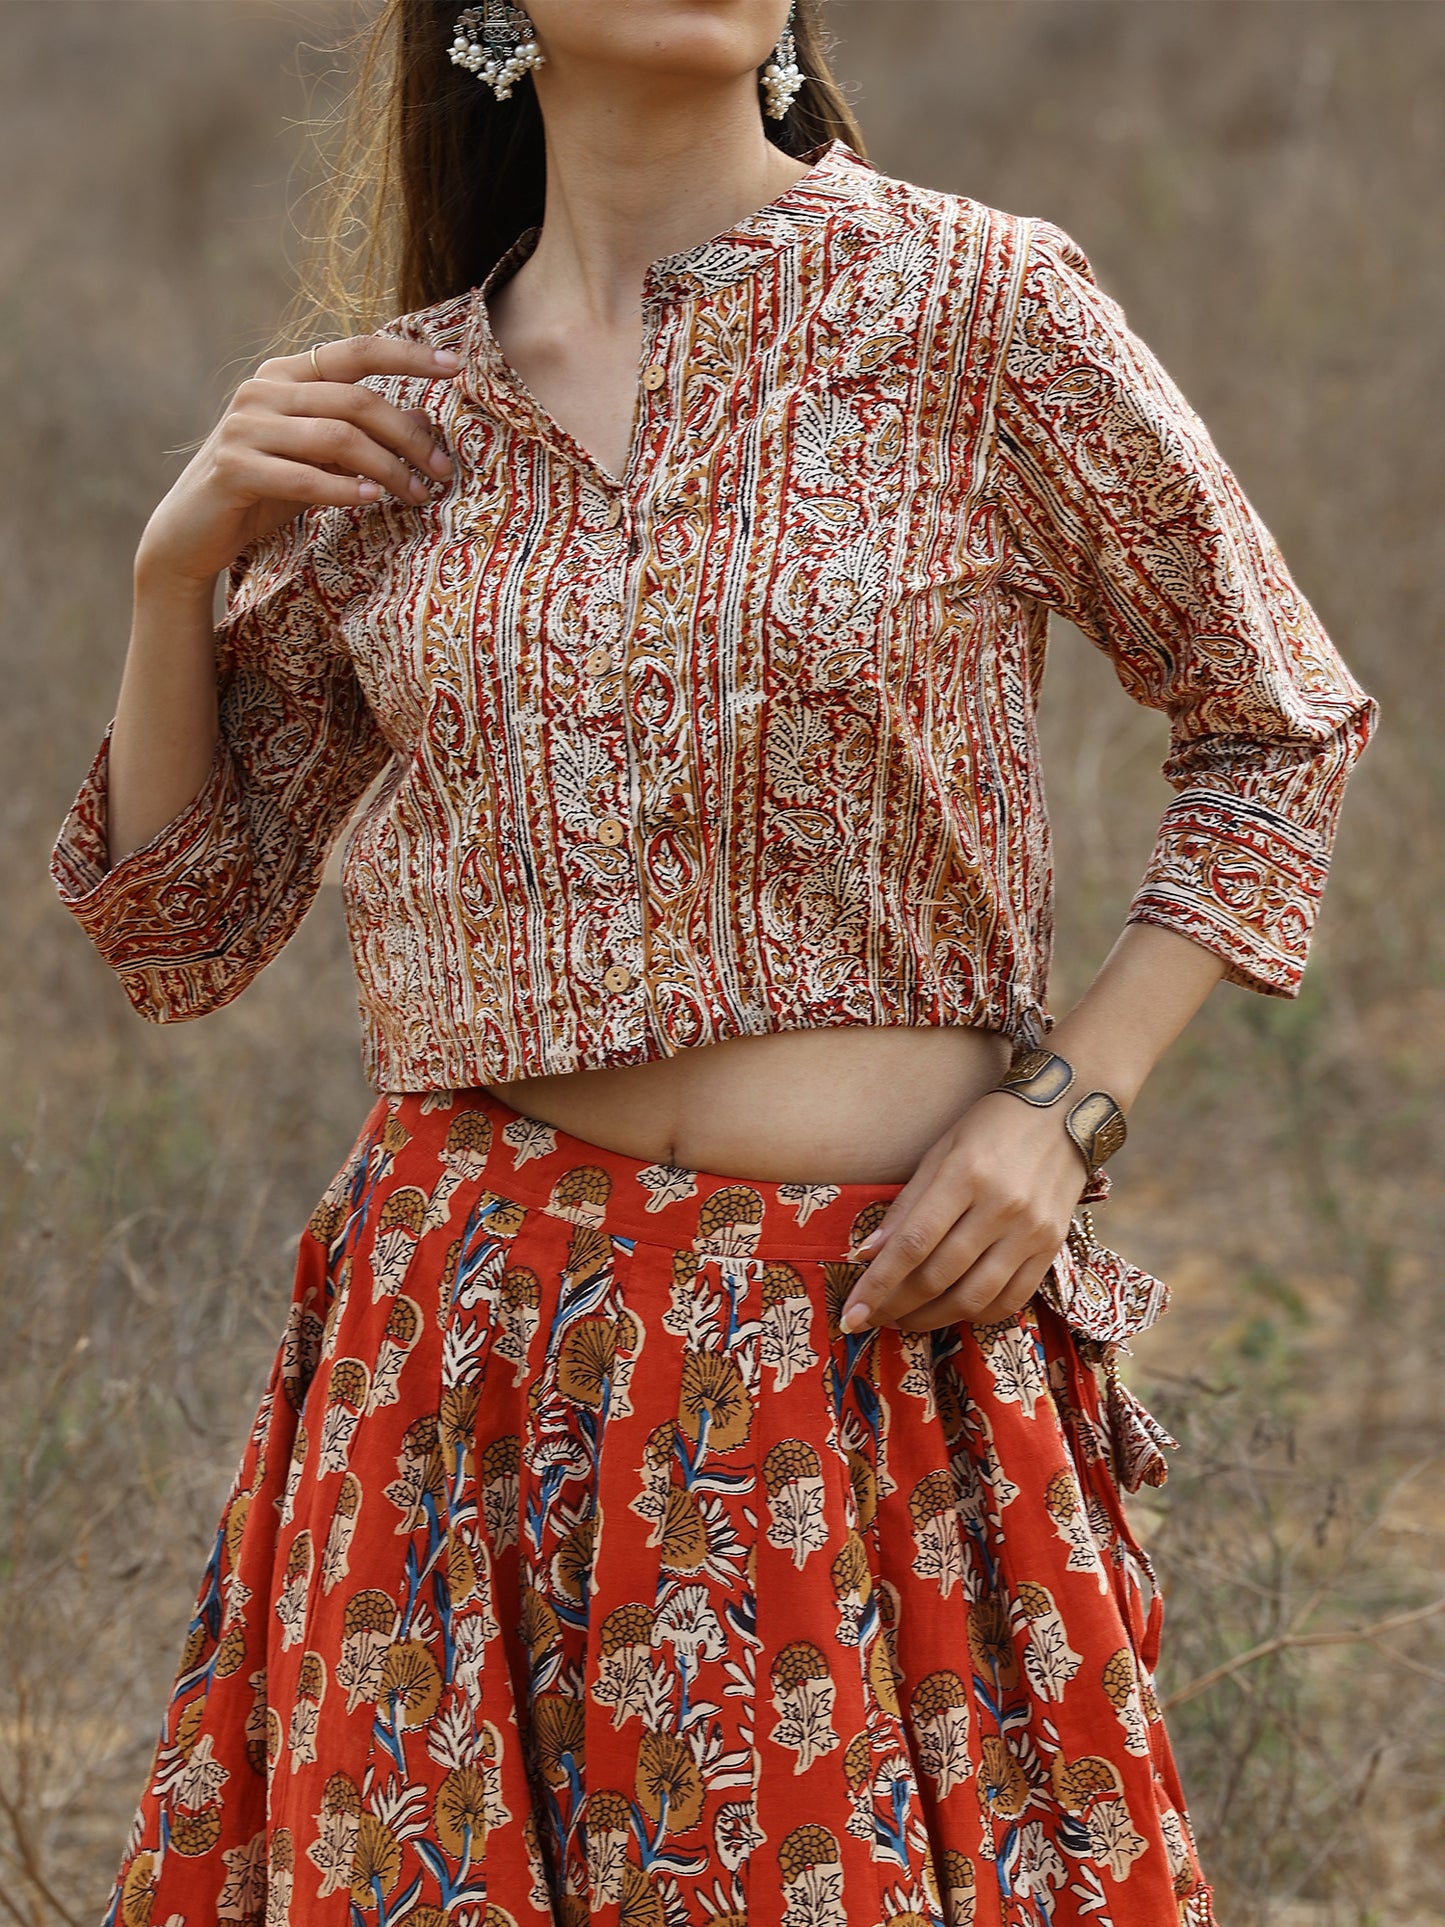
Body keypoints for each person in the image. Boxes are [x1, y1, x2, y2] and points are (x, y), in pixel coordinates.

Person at [50, 2, 1378, 1922]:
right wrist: (174, 577)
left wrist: (1065, 1111)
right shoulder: (390, 415)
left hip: (864, 1351)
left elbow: (1276, 724)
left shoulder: (976, 307)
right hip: (466, 1380)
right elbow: (177, 931)